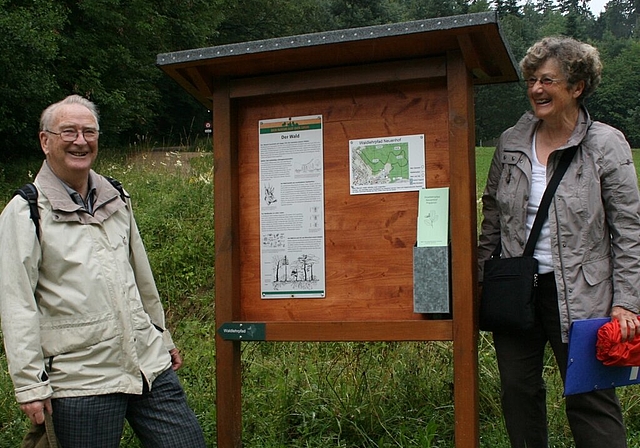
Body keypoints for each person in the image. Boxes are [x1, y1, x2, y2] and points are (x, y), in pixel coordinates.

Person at [0, 95, 206, 447]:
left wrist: (162, 335)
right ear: (45, 141)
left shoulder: (116, 196)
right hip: (81, 378)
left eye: (89, 132)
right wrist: (30, 384)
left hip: (147, 363)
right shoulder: (26, 211)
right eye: (69, 131)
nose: (81, 141)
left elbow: (142, 277)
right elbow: (16, 302)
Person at [478, 36, 640, 448]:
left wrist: (626, 302)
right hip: (517, 289)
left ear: (576, 86)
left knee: (590, 399)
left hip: (585, 295)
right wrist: (483, 282)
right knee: (518, 393)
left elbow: (628, 230)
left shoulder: (606, 144)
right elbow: (492, 219)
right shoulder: (511, 142)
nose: (535, 89)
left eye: (547, 80)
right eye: (531, 80)